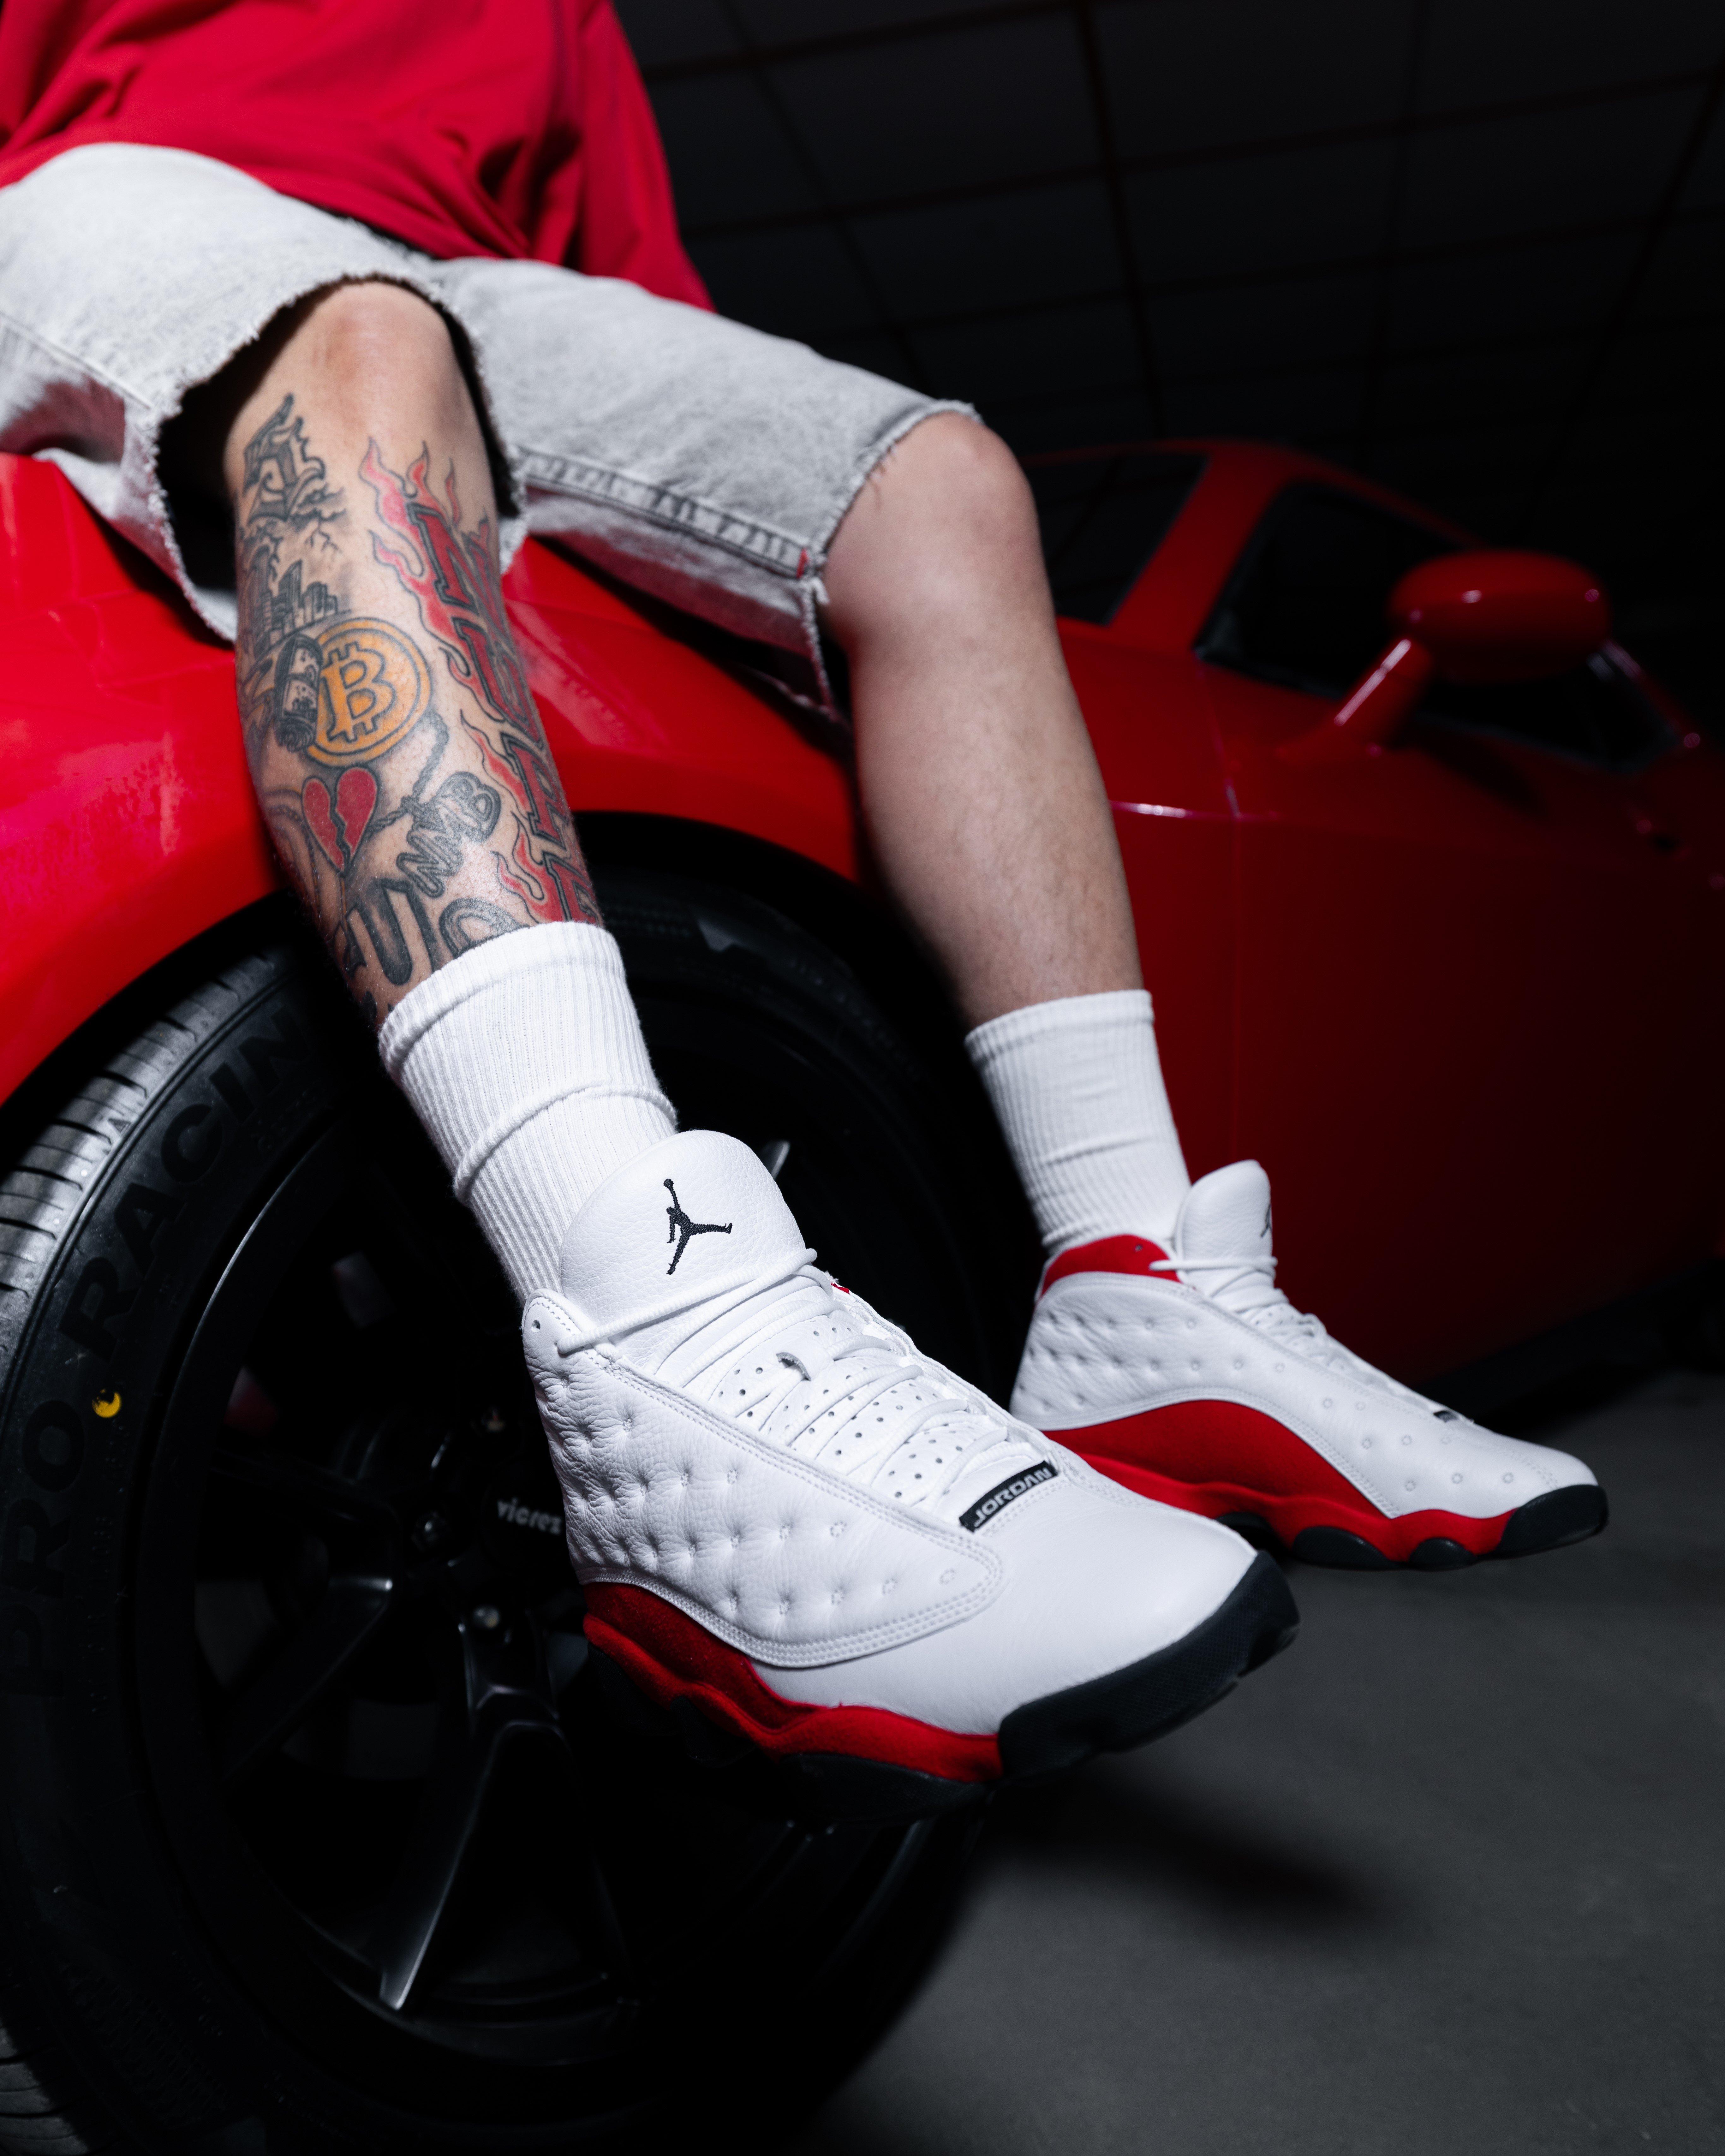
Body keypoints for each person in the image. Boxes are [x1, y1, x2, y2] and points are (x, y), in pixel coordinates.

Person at [0, 0, 1601, 1811]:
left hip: (477, 302)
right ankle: (647, 1315)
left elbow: (646, 297)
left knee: (934, 481)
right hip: (130, 217)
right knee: (362, 351)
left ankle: (1135, 1277)